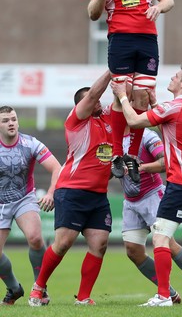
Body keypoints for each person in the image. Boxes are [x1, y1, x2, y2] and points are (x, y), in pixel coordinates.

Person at [111, 63, 182, 307]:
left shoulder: (174, 106)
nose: (171, 78)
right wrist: (154, 103)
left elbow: (134, 120)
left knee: (160, 238)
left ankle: (163, 296)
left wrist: (121, 95)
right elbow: (170, 126)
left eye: (176, 76)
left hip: (181, 182)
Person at [88, 0, 174, 184]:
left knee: (142, 96)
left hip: (147, 40)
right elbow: (93, 14)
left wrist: (158, 7)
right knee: (120, 93)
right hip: (121, 40)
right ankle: (116, 154)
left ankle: (132, 157)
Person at [28, 70, 113, 307]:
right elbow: (96, 92)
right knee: (63, 243)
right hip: (73, 191)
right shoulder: (75, 121)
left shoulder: (106, 121)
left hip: (98, 196)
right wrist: (112, 70)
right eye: (93, 100)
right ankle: (38, 288)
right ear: (82, 105)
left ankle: (84, 297)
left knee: (100, 245)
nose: (98, 102)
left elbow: (125, 103)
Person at [119, 126, 182, 304]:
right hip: (130, 200)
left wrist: (140, 168)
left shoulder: (147, 136)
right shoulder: (112, 139)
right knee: (133, 251)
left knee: (169, 244)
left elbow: (165, 162)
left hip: (153, 196)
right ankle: (169, 293)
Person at [0, 106, 61, 306]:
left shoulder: (30, 143)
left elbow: (56, 168)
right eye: (5, 120)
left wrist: (51, 193)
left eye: (13, 119)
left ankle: (40, 288)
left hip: (23, 198)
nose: (11, 123)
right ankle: (14, 288)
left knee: (35, 239)